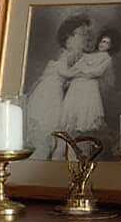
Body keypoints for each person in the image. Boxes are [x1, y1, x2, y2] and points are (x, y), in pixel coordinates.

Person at [24, 13, 93, 157]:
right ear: (68, 39)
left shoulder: (78, 57)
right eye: (81, 34)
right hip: (48, 94)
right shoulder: (66, 56)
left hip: (57, 94)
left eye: (87, 34)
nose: (86, 37)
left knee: (57, 133)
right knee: (45, 127)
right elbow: (66, 74)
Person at [56, 27, 120, 146]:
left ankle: (82, 148)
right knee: (71, 117)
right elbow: (74, 69)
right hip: (76, 86)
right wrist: (73, 73)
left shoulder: (107, 58)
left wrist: (81, 72)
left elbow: (96, 72)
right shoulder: (87, 56)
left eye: (107, 43)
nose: (103, 44)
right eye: (102, 41)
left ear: (111, 46)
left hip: (89, 88)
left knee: (84, 120)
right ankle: (67, 147)